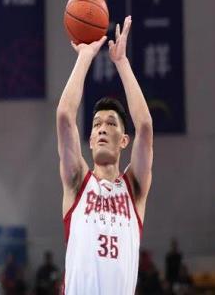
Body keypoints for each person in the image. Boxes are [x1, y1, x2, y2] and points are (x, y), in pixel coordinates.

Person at [56, 16, 153, 294]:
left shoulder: (133, 189)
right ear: (89, 140)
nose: (102, 128)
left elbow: (145, 126)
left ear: (123, 140)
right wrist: (85, 56)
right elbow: (64, 116)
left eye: (111, 124)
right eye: (97, 124)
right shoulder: (78, 182)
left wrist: (121, 63)